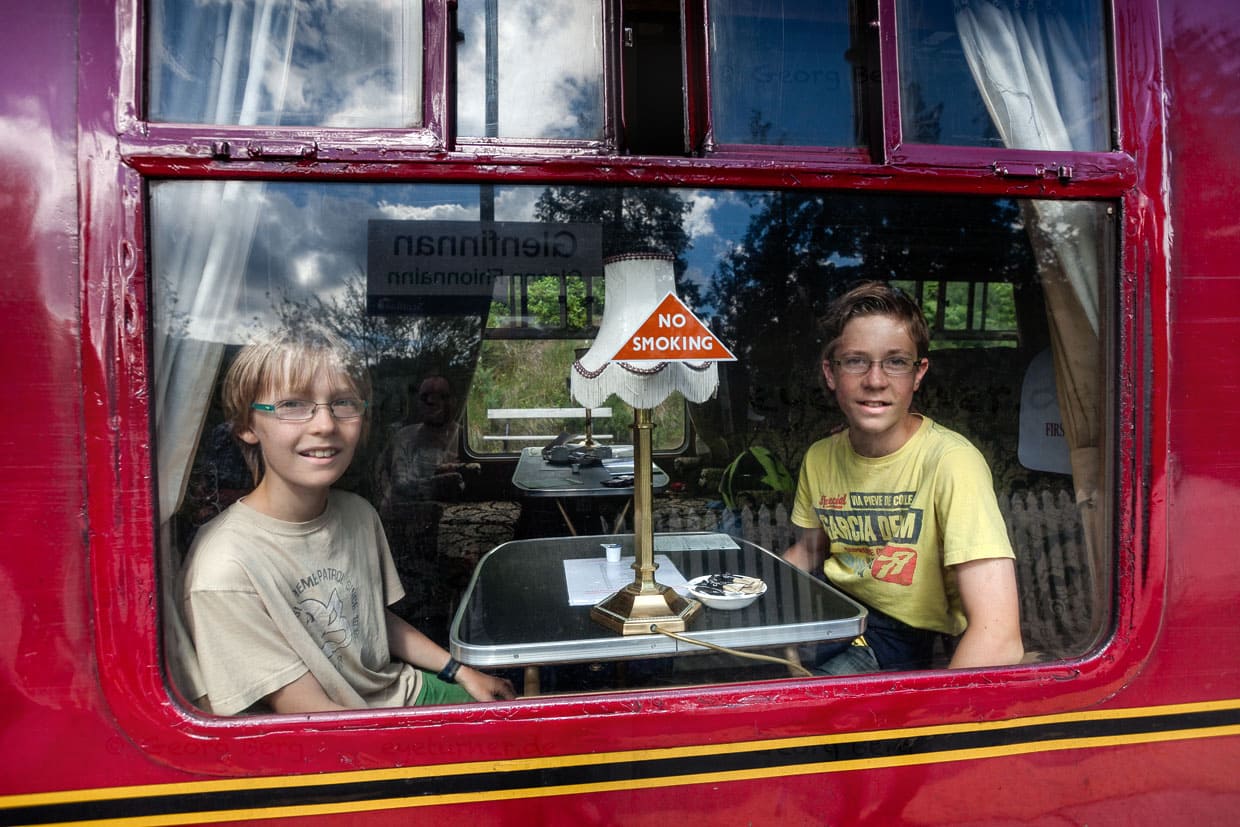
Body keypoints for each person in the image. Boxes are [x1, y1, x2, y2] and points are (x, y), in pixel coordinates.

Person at [177, 329, 515, 714]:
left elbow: (370, 620)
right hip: (347, 725)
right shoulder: (224, 572)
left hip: (402, 689)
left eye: (343, 403)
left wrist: (460, 671)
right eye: (292, 404)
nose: (325, 424)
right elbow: (318, 715)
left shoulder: (358, 514)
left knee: (519, 706)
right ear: (246, 425)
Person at [783, 282, 1024, 673]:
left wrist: (934, 729)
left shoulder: (952, 462)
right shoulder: (820, 456)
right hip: (835, 613)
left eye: (895, 362)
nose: (875, 380)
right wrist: (750, 590)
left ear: (918, 373)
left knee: (810, 714)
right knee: (745, 671)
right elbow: (811, 550)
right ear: (831, 372)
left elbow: (1000, 639)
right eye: (856, 360)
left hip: (905, 636)